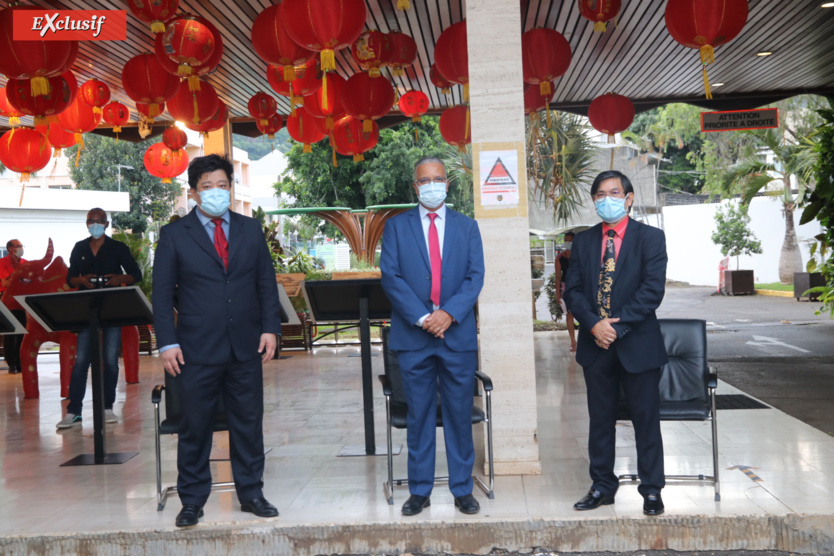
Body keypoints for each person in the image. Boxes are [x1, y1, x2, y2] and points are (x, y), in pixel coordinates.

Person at [152, 154, 281, 528]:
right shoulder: (174, 235)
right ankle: (192, 500)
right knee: (196, 425)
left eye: (222, 185)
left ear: (231, 188)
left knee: (247, 422)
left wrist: (270, 328)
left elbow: (265, 284)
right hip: (194, 350)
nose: (215, 192)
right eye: (206, 187)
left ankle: (252, 493)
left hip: (245, 346)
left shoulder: (250, 229)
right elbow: (162, 296)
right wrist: (167, 343)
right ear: (193, 193)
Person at [380, 156, 485, 516]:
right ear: (415, 187)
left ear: (447, 184)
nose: (432, 185)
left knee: (458, 415)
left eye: (438, 179)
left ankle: (462, 489)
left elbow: (475, 278)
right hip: (414, 338)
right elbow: (391, 278)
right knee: (419, 416)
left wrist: (448, 314)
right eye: (425, 180)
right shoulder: (396, 228)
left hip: (456, 337)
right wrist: (424, 317)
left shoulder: (467, 227)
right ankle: (419, 491)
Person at [563, 170, 668, 516]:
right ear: (593, 201)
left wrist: (616, 328)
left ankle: (651, 489)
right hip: (597, 347)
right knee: (600, 421)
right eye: (599, 195)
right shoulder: (584, 241)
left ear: (629, 197)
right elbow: (573, 291)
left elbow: (651, 292)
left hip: (637, 345)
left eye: (613, 192)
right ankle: (602, 486)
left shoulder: (651, 238)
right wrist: (593, 325)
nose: (606, 199)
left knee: (645, 420)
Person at [57, 210, 142, 428]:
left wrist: (118, 279)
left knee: (110, 361)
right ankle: (74, 412)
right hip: (87, 308)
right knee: (81, 362)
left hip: (113, 308)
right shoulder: (80, 247)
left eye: (99, 221)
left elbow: (136, 275)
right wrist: (82, 280)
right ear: (86, 223)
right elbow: (70, 279)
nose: (95, 225)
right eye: (91, 221)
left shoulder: (118, 248)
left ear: (106, 223)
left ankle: (107, 408)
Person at [0, 239, 27, 374]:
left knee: (23, 332)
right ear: (10, 248)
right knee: (11, 333)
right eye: (18, 246)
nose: (21, 248)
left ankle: (20, 361)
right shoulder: (2, 263)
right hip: (9, 301)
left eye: (21, 246)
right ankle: (11, 363)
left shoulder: (25, 263)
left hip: (24, 302)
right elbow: (5, 282)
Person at [553, 231, 577, 352]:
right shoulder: (560, 258)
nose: (568, 242)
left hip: (579, 287)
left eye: (570, 240)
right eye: (566, 240)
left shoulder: (579, 255)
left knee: (583, 313)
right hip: (565, 288)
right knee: (569, 314)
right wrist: (557, 293)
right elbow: (557, 276)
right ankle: (573, 341)